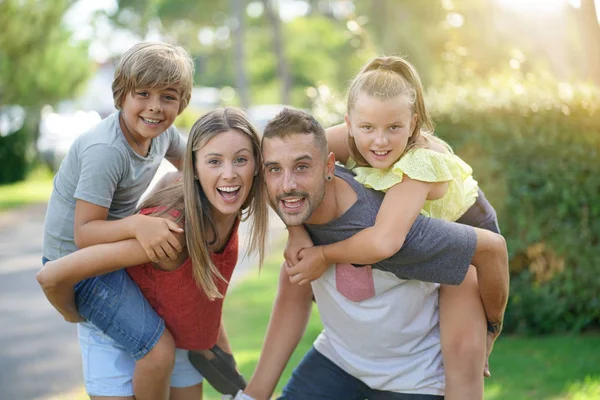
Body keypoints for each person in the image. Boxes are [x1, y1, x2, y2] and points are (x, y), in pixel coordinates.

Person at [234, 108, 508, 400]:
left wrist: (493, 324)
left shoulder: (391, 229)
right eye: (274, 169)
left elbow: (490, 249)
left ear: (328, 167)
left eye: (302, 167)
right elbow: (293, 293)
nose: (287, 184)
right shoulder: (299, 205)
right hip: (339, 360)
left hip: (412, 379)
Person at [283, 56, 500, 398]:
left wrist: (323, 254)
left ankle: (488, 334)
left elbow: (385, 240)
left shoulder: (421, 159)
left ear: (413, 125)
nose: (380, 141)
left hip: (465, 226)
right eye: (368, 128)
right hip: (407, 219)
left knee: (462, 358)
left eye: (394, 128)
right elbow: (286, 163)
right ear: (349, 123)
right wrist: (296, 230)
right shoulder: (345, 137)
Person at [37, 107, 269, 399]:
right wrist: (71, 313)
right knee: (158, 353)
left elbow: (207, 292)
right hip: (118, 330)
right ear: (193, 168)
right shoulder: (171, 232)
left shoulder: (227, 204)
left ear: (257, 165)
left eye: (241, 160)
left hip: (176, 325)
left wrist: (233, 378)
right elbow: (52, 274)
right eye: (214, 161)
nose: (229, 174)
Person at [39, 41, 197, 399]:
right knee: (159, 353)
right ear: (121, 95)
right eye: (143, 93)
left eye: (168, 97)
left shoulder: (163, 135)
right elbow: (84, 234)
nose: (155, 107)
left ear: (182, 103)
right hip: (79, 266)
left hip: (110, 251)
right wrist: (138, 225)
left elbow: (196, 171)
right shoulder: (105, 150)